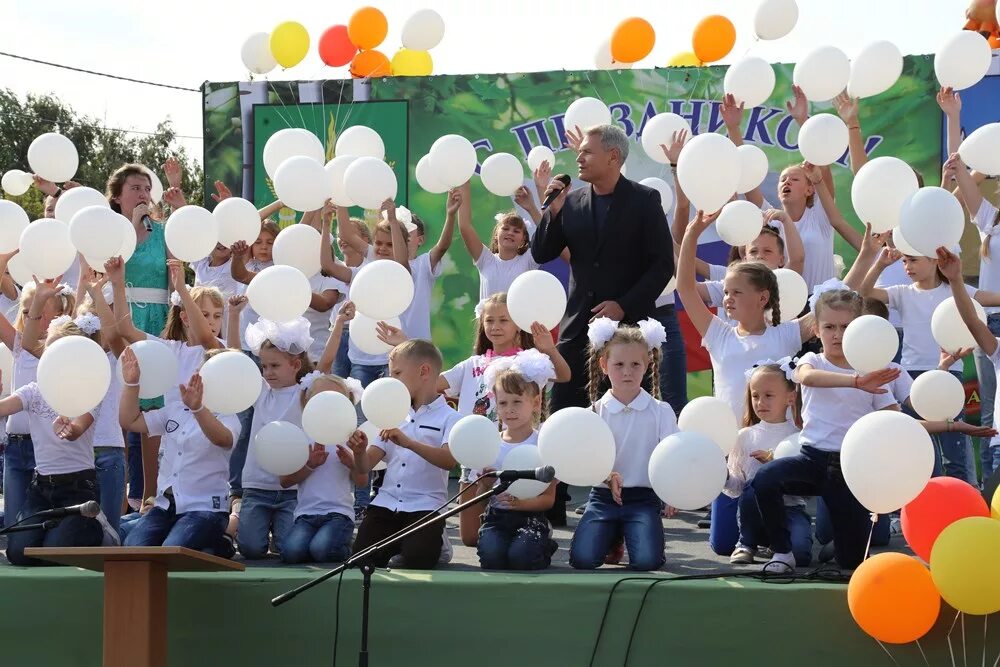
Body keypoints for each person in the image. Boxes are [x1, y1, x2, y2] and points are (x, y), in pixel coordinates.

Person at [532, 124, 674, 524]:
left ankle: (634, 506)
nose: (579, 158)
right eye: (579, 153)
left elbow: (662, 264)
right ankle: (552, 507)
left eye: (587, 152)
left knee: (630, 420)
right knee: (563, 412)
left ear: (613, 156)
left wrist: (623, 305)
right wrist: (552, 211)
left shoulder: (645, 200)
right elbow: (543, 251)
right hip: (579, 326)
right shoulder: (572, 200)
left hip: (628, 331)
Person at [749, 289, 901, 572]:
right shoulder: (813, 361)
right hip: (811, 461)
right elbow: (806, 377)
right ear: (816, 330)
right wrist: (856, 382)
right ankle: (783, 552)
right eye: (829, 327)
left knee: (851, 564)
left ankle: (841, 547)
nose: (837, 334)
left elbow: (893, 418)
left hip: (850, 469)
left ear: (858, 329)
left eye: (845, 327)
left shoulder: (870, 370)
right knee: (765, 479)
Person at [855, 222, 1000, 484]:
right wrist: (880, 264)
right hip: (912, 376)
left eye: (913, 260)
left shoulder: (955, 290)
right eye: (905, 261)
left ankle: (961, 496)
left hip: (949, 375)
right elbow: (864, 292)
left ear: (935, 260)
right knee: (918, 443)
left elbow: (989, 298)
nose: (907, 267)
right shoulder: (901, 293)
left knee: (953, 446)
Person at [568, 319, 677, 571]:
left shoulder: (661, 411)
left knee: (647, 562)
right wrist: (606, 476)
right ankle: (613, 535)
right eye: (619, 364)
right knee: (582, 560)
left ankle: (628, 531)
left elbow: (673, 454)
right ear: (604, 365)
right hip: (603, 498)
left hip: (643, 498)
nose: (627, 372)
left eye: (635, 364)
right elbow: (584, 459)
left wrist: (672, 490)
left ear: (648, 364)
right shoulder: (593, 412)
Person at [4, 314, 109, 565]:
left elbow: (77, 429)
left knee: (55, 553)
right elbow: (5, 407)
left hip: (78, 488)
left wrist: (69, 428)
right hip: (41, 489)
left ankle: (96, 528)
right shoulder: (33, 391)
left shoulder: (90, 391)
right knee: (19, 553)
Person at [348, 340, 462, 569]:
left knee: (416, 560)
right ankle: (403, 542)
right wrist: (358, 452)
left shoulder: (450, 418)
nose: (392, 381)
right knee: (360, 560)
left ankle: (435, 541)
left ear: (424, 371)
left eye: (397, 373)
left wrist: (410, 443)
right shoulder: (391, 414)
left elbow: (449, 461)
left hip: (425, 505)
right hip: (386, 503)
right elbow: (364, 466)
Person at [119, 348, 239, 554]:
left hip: (205, 509)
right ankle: (212, 545)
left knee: (171, 550)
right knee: (134, 548)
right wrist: (132, 384)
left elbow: (222, 438)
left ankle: (220, 541)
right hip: (165, 506)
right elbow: (129, 421)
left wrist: (198, 409)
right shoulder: (176, 409)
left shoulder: (228, 417)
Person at [457, 350, 558, 570]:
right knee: (491, 559)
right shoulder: (490, 444)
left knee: (522, 557)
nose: (509, 410)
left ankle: (544, 545)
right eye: (503, 403)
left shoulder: (542, 443)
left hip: (531, 516)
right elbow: (481, 500)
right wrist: (483, 485)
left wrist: (522, 504)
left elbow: (549, 498)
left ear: (536, 402)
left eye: (517, 402)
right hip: (496, 518)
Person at [107, 165, 170, 511]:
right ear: (118, 196)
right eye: (135, 188)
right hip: (121, 319)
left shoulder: (163, 232)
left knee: (153, 408)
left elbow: (175, 277)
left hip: (156, 321)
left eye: (147, 188)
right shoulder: (111, 233)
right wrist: (131, 227)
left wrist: (173, 326)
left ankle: (150, 494)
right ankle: (117, 496)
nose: (144, 194)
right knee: (120, 404)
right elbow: (108, 269)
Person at [0, 277, 75, 531]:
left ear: (59, 315)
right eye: (27, 311)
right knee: (13, 527)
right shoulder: (19, 346)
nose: (32, 317)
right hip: (15, 447)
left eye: (40, 311)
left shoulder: (60, 352)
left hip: (44, 448)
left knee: (40, 525)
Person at [236, 317, 314, 559]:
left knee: (288, 548)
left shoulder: (305, 394)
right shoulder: (260, 393)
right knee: (250, 548)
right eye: (264, 366)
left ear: (295, 364)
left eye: (275, 366)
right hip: (257, 486)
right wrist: (234, 314)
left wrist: (339, 325)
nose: (268, 372)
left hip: (291, 488)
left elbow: (329, 363)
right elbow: (235, 360)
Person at [724, 361, 811, 566]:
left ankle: (778, 544)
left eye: (769, 395)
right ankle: (746, 543)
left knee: (801, 555)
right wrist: (723, 476)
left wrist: (776, 465)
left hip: (790, 511)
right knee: (752, 487)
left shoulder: (799, 437)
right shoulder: (744, 436)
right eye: (755, 396)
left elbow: (807, 489)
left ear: (790, 398)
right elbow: (738, 488)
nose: (760, 402)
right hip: (753, 512)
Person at [436, 292, 570, 422]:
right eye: (489, 320)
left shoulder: (528, 361)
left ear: (518, 325)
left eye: (503, 320)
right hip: (471, 441)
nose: (495, 327)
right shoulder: (471, 364)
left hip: (512, 442)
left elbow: (564, 376)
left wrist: (550, 350)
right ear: (483, 324)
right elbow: (431, 385)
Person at [780, 86, 863, 292]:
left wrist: (803, 123)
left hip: (822, 305)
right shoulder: (773, 220)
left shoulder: (820, 215)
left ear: (810, 190)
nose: (787, 182)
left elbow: (822, 166)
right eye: (783, 179)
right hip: (786, 307)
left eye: (795, 178)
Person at [948, 152, 1000, 477]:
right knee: (989, 413)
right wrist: (959, 165)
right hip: (989, 323)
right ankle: (989, 491)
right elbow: (967, 189)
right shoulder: (992, 221)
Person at [278, 373, 366, 564]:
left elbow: (362, 481)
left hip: (338, 514)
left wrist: (352, 462)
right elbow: (284, 481)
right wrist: (310, 464)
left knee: (322, 550)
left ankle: (345, 545)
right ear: (308, 401)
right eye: (321, 398)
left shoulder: (349, 438)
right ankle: (325, 542)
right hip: (306, 515)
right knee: (290, 553)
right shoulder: (301, 436)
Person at [394, 190, 458, 341]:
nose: (402, 237)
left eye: (408, 233)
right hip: (386, 344)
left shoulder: (423, 263)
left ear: (420, 240)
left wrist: (450, 215)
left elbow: (442, 246)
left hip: (418, 343)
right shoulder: (384, 265)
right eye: (398, 232)